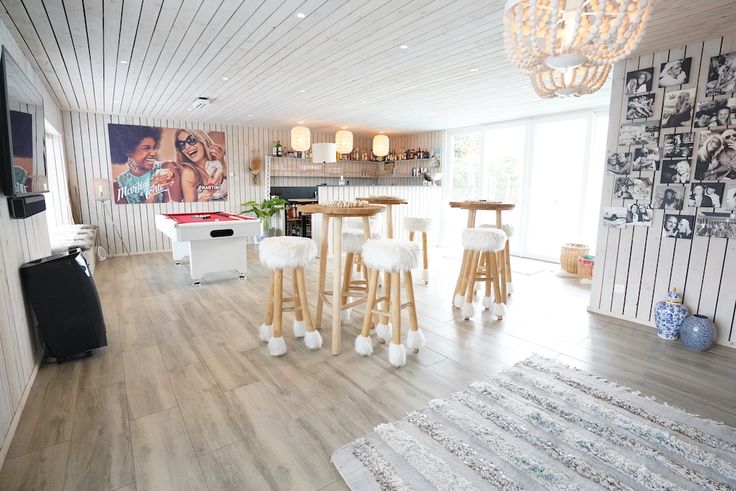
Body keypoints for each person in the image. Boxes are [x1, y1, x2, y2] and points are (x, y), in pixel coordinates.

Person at [111, 125, 181, 204]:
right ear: (129, 151)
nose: (154, 153)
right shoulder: (117, 186)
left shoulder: (167, 169)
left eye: (154, 147)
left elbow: (173, 207)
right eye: (146, 148)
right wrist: (154, 192)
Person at [175, 129, 228, 202]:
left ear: (202, 140)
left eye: (191, 140)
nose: (187, 147)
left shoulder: (222, 160)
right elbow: (190, 207)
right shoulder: (189, 172)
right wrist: (210, 188)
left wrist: (222, 163)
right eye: (181, 145)